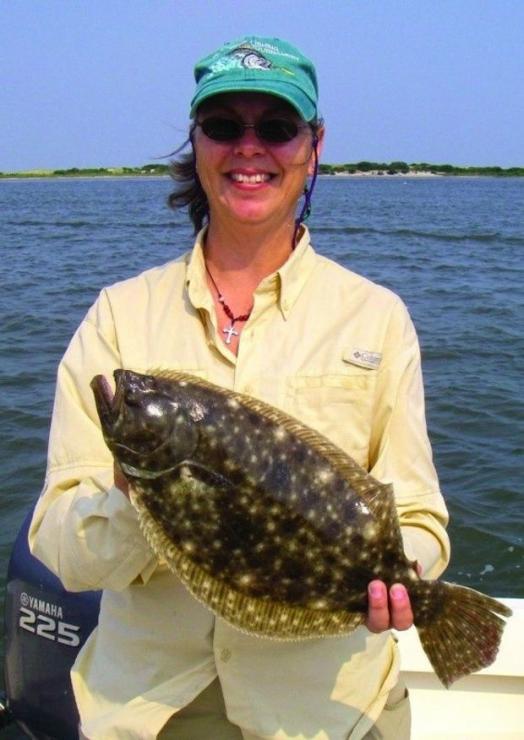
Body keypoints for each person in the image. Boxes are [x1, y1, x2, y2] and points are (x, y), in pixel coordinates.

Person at [29, 36, 450, 739]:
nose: (248, 148)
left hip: (327, 711)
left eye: (276, 129)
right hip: (154, 709)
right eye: (224, 127)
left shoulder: (376, 317)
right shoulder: (117, 318)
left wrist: (399, 579)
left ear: (313, 147)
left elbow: (422, 519)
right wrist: (141, 493)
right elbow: (64, 552)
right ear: (196, 144)